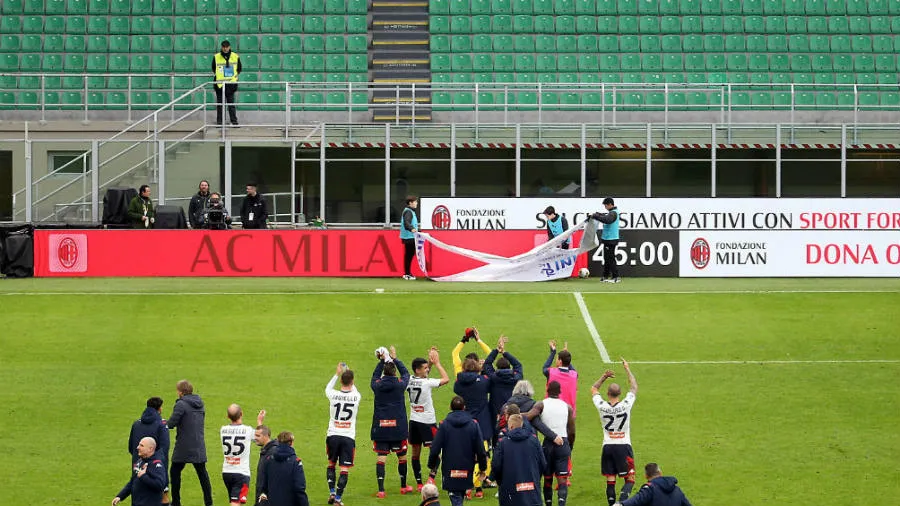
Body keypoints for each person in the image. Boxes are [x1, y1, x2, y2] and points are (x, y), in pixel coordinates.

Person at [592, 359, 639, 506]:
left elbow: (593, 389)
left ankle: (612, 504)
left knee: (610, 480)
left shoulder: (601, 406)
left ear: (607, 393)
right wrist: (627, 369)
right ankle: (621, 504)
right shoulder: (626, 404)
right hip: (623, 446)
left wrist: (604, 377)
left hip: (608, 446)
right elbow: (634, 387)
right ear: (620, 394)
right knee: (630, 480)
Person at [427, 396, 488, 506]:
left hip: (450, 467)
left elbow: (435, 449)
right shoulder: (473, 424)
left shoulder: (445, 425)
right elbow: (481, 450)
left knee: (455, 497)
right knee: (458, 497)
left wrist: (431, 465)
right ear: (464, 407)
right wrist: (483, 468)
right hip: (467, 467)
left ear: (450, 407)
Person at [524, 381, 575, 506]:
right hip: (563, 443)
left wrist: (514, 414)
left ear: (547, 390)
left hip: (548, 444)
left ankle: (548, 504)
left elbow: (529, 416)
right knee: (562, 479)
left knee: (547, 479)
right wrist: (569, 447)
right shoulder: (567, 407)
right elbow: (572, 431)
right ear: (560, 391)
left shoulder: (541, 404)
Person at [370, 346, 412, 498]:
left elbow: (374, 376)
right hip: (398, 427)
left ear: (383, 373)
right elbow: (407, 373)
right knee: (402, 456)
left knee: (381, 457)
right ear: (394, 372)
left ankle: (381, 490)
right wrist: (394, 358)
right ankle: (403, 486)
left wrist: (381, 361)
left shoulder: (377, 385)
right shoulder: (400, 384)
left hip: (381, 426)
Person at [407, 347, 450, 490]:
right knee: (436, 450)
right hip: (427, 421)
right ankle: (431, 477)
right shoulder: (427, 382)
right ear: (418, 370)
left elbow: (423, 376)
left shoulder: (410, 379)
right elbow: (446, 379)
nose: (427, 370)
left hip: (414, 421)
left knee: (415, 452)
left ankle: (419, 483)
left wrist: (429, 363)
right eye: (425, 368)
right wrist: (436, 363)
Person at [167, 380, 213, 506]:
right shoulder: (200, 404)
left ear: (181, 392)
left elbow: (171, 423)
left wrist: (162, 422)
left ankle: (176, 502)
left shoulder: (181, 405)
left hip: (184, 445)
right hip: (198, 444)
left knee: (175, 471)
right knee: (202, 474)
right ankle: (209, 503)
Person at [325, 363, 362, 506]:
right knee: (344, 468)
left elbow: (328, 387)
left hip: (333, 435)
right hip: (348, 436)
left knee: (331, 464)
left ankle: (332, 493)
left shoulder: (333, 394)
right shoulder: (356, 396)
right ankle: (338, 500)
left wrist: (337, 373)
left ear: (341, 381)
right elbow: (353, 387)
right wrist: (348, 372)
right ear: (352, 381)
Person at [492, 414, 546, 506]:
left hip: (510, 492)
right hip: (531, 489)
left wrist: (500, 481)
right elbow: (543, 463)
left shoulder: (503, 443)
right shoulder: (534, 440)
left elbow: (496, 465)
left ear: (511, 426)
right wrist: (535, 477)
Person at [129, 397, 171, 505]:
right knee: (159, 499)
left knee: (138, 496)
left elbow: (131, 447)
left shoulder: (136, 424)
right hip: (156, 466)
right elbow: (164, 448)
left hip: (137, 465)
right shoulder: (161, 424)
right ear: (160, 409)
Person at [483, 335, 523, 433]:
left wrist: (497, 350)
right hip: (512, 410)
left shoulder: (493, 377)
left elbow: (487, 364)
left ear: (497, 367)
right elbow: (518, 365)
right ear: (509, 366)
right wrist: (504, 352)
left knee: (496, 433)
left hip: (495, 411)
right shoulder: (516, 378)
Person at [258, 431, 310, 506]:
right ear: (291, 443)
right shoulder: (295, 462)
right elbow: (299, 487)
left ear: (278, 442)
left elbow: (263, 484)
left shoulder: (269, 460)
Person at [113, 437, 169, 506]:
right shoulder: (140, 461)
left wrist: (143, 476)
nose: (137, 447)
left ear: (150, 449)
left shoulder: (156, 464)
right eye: (139, 445)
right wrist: (120, 496)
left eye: (141, 445)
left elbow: (160, 485)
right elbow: (133, 481)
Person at [220, 404, 256, 506]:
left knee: (234, 501)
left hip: (226, 472)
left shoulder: (223, 430)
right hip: (241, 473)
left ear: (228, 417)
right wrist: (259, 422)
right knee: (235, 503)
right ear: (242, 414)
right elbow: (259, 438)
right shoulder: (248, 430)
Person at [616, 463, 692, 506]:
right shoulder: (676, 489)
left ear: (646, 476)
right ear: (660, 473)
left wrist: (621, 504)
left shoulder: (649, 489)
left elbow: (635, 500)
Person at [542, 340, 578, 417]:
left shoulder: (551, 372)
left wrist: (553, 352)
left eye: (557, 358)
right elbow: (570, 367)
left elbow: (545, 367)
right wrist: (566, 356)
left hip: (552, 412)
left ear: (560, 361)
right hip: (569, 413)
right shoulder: (574, 375)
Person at [212, 40, 241, 126]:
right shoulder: (216, 57)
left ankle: (234, 121)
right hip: (220, 84)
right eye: (223, 47)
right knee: (220, 104)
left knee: (231, 104)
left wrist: (231, 78)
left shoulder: (235, 56)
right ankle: (219, 122)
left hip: (230, 84)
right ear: (221, 47)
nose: (225, 48)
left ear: (229, 47)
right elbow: (214, 68)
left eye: (227, 46)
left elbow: (239, 69)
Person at [254, 411, 277, 506]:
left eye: (257, 436)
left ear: (266, 436)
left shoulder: (272, 453)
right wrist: (259, 422)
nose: (255, 438)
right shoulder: (267, 449)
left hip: (266, 498)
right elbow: (263, 432)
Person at [596, 197, 622, 283]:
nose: (605, 207)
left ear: (610, 204)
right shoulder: (613, 212)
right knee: (607, 258)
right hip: (609, 239)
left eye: (605, 205)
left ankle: (616, 277)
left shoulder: (613, 213)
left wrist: (596, 216)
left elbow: (607, 220)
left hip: (610, 239)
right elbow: (606, 217)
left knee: (610, 258)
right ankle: (605, 276)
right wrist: (599, 215)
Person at [400, 196, 419, 280]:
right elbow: (406, 223)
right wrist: (412, 229)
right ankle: (407, 274)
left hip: (410, 236)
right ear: (410, 203)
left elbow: (412, 224)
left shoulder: (410, 211)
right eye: (415, 202)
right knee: (409, 255)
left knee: (409, 255)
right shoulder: (408, 212)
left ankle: (407, 273)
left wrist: (418, 231)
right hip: (409, 237)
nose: (416, 203)